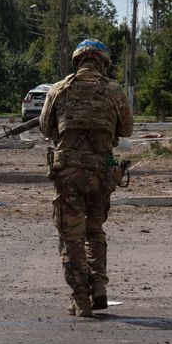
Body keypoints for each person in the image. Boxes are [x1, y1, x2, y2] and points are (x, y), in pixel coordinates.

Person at [39, 38, 133, 317]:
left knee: (72, 236)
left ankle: (81, 298)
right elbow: (126, 129)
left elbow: (45, 127)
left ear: (78, 60)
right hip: (102, 173)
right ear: (103, 62)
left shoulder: (59, 89)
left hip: (69, 174)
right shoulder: (113, 91)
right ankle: (99, 286)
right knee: (95, 230)